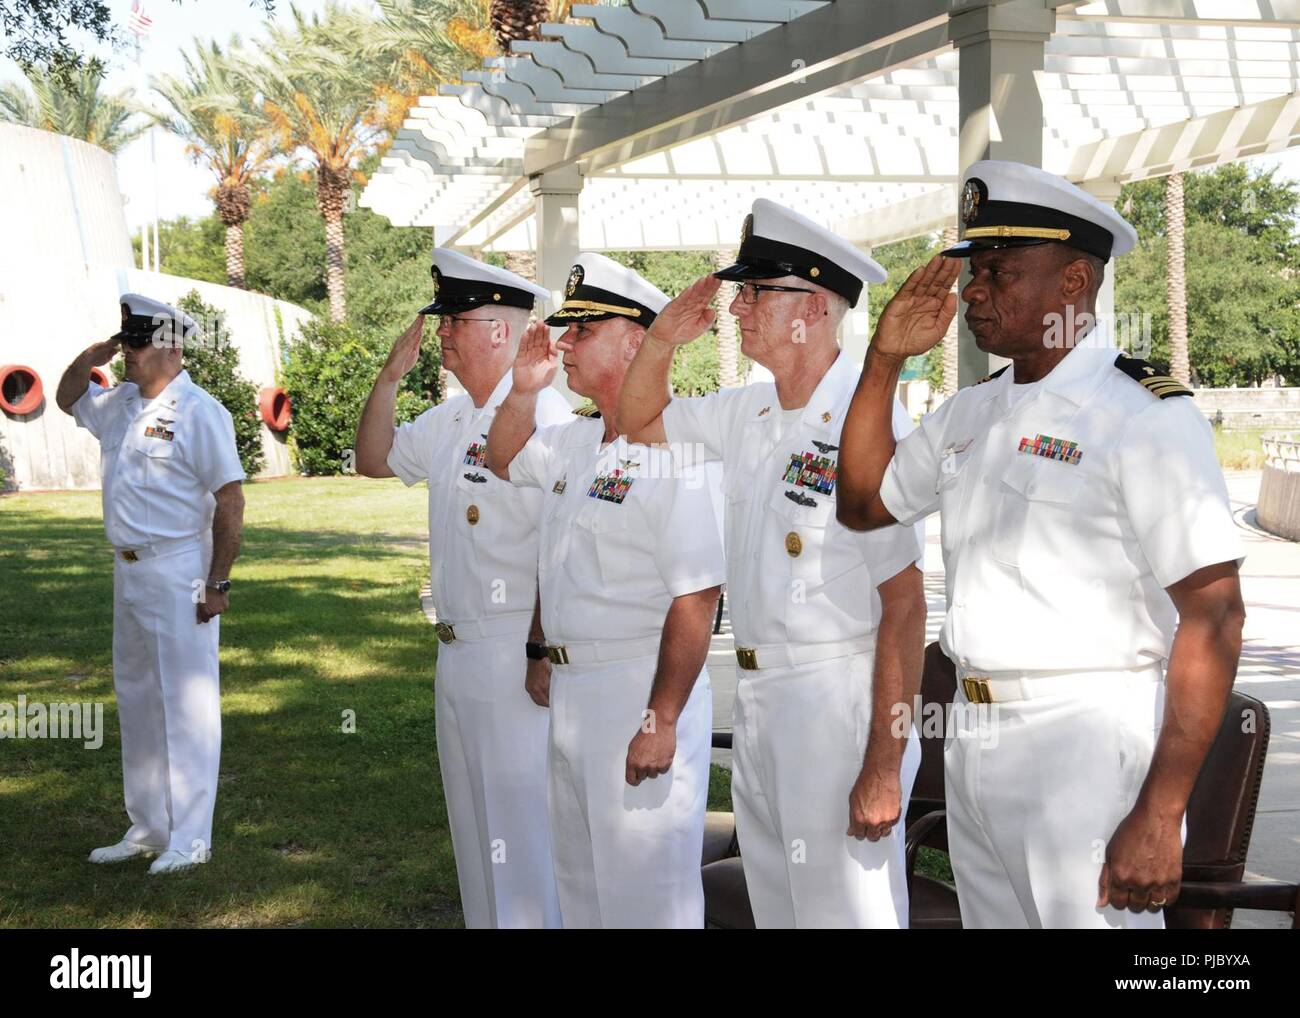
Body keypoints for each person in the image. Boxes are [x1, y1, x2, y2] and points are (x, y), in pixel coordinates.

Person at [835, 159, 1247, 928]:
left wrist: (1160, 814)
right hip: (976, 731)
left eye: (1000, 271)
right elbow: (862, 505)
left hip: (1086, 740)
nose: (973, 292)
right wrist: (884, 360)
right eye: (973, 271)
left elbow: (1216, 616)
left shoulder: (1142, 416)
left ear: (1074, 284)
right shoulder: (969, 413)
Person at [616, 202, 928, 928]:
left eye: (759, 291)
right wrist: (661, 339)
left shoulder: (868, 420)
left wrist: (884, 762)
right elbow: (634, 421)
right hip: (760, 699)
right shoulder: (749, 412)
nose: (739, 306)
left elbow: (904, 606)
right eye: (742, 290)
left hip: (838, 702)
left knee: (848, 914)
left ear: (814, 309)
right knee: (782, 912)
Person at [486, 252, 726, 928]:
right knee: (582, 882)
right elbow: (502, 458)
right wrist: (524, 391)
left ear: (636, 340)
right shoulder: (573, 442)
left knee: (646, 893)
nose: (563, 344)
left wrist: (663, 718)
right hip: (573, 693)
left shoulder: (677, 450)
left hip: (636, 689)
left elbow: (696, 596)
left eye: (582, 331)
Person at [354, 250, 569, 928]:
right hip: (458, 650)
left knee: (521, 833)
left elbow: (558, 542)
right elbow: (372, 459)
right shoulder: (452, 419)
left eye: (457, 319)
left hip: (513, 653)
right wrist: (390, 376)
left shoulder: (546, 415)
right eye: (442, 318)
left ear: (502, 332)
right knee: (477, 831)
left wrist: (541, 646)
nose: (441, 332)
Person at [56, 293, 245, 875]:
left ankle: (191, 837)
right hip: (128, 569)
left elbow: (230, 499)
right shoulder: (119, 405)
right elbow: (67, 398)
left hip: (180, 568)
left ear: (170, 346)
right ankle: (147, 827)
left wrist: (219, 583)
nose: (127, 354)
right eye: (124, 342)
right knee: (138, 698)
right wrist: (95, 352)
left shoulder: (200, 411)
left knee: (186, 703)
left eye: (135, 343)